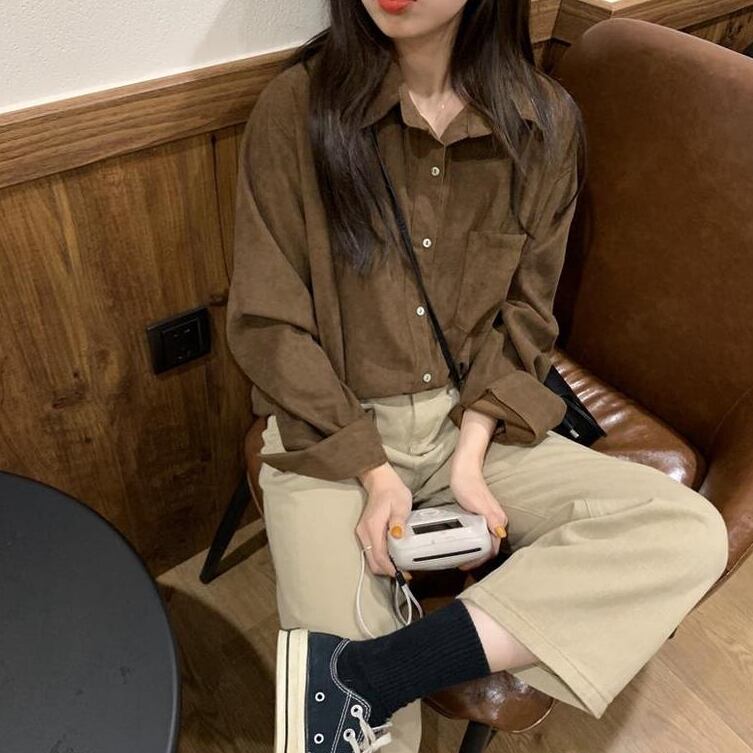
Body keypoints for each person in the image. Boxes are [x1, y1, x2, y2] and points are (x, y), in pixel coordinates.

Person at [225, 1, 729, 752]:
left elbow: (525, 316)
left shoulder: (543, 123)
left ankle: (372, 673)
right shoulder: (296, 108)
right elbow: (269, 326)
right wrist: (373, 470)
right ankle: (366, 682)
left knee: (685, 533)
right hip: (326, 433)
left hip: (470, 421)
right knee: (364, 743)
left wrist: (469, 455)